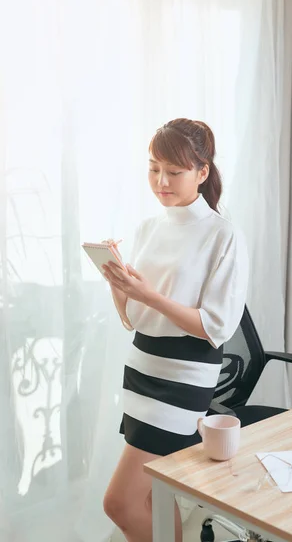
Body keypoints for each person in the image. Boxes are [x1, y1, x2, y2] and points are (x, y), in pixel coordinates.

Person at [102, 118, 249, 542]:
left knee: (119, 502)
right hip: (142, 371)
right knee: (153, 502)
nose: (161, 181)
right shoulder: (149, 229)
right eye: (153, 168)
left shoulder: (223, 235)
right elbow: (133, 319)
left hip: (183, 378)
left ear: (202, 173)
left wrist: (149, 296)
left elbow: (216, 326)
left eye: (174, 171)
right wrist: (120, 287)